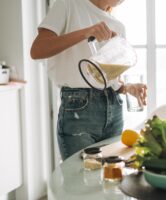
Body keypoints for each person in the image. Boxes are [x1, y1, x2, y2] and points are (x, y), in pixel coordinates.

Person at [31, 0, 147, 160]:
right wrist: (85, 32)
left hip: (114, 108)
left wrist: (127, 87)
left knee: (110, 176)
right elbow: (37, 50)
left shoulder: (118, 26)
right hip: (79, 109)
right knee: (80, 178)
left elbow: (110, 80)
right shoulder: (68, 4)